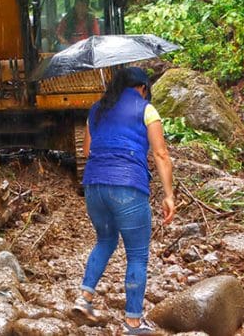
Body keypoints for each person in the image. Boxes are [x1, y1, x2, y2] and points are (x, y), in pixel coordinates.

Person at [71, 66, 176, 335]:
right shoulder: (146, 109)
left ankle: (84, 298)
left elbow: (87, 150)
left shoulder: (97, 109)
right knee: (137, 255)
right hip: (128, 186)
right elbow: (161, 154)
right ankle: (133, 323)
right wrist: (168, 195)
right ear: (142, 87)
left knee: (105, 240)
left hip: (94, 186)